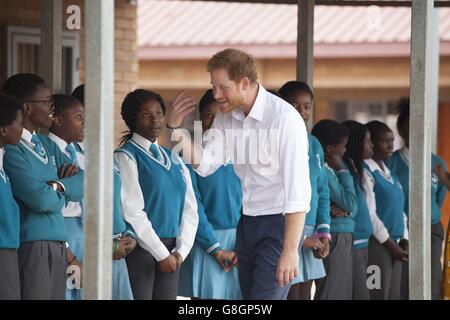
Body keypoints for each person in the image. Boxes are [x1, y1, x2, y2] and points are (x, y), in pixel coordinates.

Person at [165, 48, 311, 300]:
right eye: (213, 87)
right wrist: (175, 129)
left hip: (279, 225)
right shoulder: (227, 117)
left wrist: (290, 251)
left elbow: (298, 192)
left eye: (222, 88)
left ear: (244, 83)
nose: (215, 95)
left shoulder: (285, 119)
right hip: (247, 224)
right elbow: (206, 164)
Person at [2, 73, 84, 299]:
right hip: (32, 245)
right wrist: (63, 191)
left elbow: (83, 183)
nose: (52, 108)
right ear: (27, 107)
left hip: (58, 242)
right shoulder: (11, 149)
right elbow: (39, 199)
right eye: (47, 102)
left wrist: (57, 185)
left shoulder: (47, 143)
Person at [115, 89, 198, 300]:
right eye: (145, 114)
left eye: (159, 113)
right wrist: (161, 253)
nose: (155, 120)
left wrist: (181, 251)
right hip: (142, 250)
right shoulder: (126, 157)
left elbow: (190, 209)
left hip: (173, 251)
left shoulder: (174, 158)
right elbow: (132, 211)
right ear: (131, 119)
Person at [178, 89, 242, 300]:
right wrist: (216, 249)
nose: (214, 124)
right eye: (208, 116)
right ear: (199, 119)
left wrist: (244, 244)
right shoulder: (188, 156)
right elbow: (193, 207)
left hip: (239, 245)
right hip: (204, 242)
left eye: (222, 118)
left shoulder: (243, 156)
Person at [387, 98, 448, 300]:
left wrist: (430, 213)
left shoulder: (437, 163)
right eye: (410, 128)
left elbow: (439, 196)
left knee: (432, 276)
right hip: (403, 231)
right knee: (404, 278)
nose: (416, 133)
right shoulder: (391, 163)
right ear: (402, 132)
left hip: (431, 228)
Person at [278, 81, 330, 300]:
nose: (302, 112)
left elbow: (322, 191)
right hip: (284, 229)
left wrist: (323, 233)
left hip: (312, 231)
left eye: (306, 106)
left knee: (305, 294)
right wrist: (300, 239)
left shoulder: (315, 144)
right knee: (289, 293)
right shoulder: (275, 141)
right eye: (294, 106)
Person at [312, 119, 357, 300]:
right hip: (335, 236)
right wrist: (342, 170)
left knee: (341, 292)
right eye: (343, 146)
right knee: (332, 292)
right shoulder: (327, 171)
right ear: (329, 149)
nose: (345, 150)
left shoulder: (329, 170)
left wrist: (347, 212)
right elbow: (351, 202)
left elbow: (352, 208)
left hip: (343, 233)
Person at [365, 120, 409, 300]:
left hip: (397, 246)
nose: (392, 146)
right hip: (378, 244)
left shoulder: (390, 173)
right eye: (385, 141)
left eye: (392, 140)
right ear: (372, 143)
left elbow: (401, 211)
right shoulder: (366, 170)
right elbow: (370, 214)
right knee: (377, 295)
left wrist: (405, 239)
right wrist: (390, 244)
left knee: (393, 295)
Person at [342, 120, 374, 300]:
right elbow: (347, 202)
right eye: (367, 141)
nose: (372, 145)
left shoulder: (355, 168)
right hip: (353, 243)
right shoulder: (343, 168)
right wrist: (347, 211)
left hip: (362, 242)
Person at [0, 94, 23, 300]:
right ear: (4, 129)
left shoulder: (2, 164)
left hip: (9, 249)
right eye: (19, 123)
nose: (22, 130)